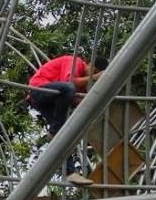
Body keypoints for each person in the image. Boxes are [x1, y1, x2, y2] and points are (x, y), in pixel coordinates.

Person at [27, 54, 108, 186]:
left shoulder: (83, 81)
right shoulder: (75, 62)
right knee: (69, 88)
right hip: (39, 90)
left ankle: (70, 173)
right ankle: (54, 130)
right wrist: (94, 78)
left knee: (62, 133)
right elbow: (70, 83)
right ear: (90, 65)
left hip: (50, 100)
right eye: (94, 71)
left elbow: (75, 100)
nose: (93, 76)